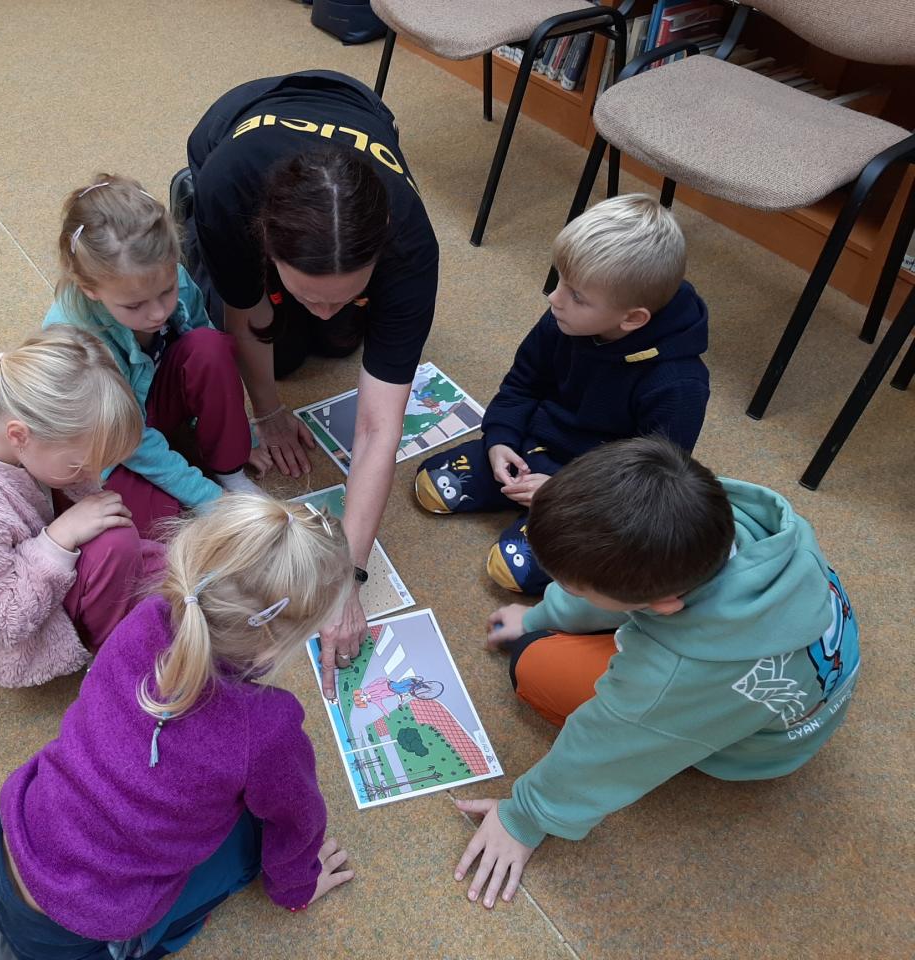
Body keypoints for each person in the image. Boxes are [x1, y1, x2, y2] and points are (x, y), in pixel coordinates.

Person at [454, 437, 860, 909]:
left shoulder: (673, 680)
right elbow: (625, 594)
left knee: (533, 665)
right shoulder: (718, 516)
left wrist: (523, 817)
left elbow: (606, 744)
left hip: (755, 749)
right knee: (563, 625)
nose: (561, 589)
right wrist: (544, 613)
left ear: (663, 605)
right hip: (777, 661)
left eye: (572, 588)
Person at [0, 493, 359, 960]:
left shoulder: (145, 616)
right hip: (83, 930)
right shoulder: (268, 725)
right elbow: (297, 822)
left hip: (8, 840)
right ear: (274, 647)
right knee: (250, 846)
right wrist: (296, 888)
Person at [182, 70, 440, 689]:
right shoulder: (232, 192)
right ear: (267, 248)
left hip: (354, 103)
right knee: (279, 349)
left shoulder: (412, 247)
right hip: (229, 136)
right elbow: (246, 318)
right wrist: (269, 412)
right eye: (309, 292)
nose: (325, 307)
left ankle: (323, 297)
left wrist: (347, 576)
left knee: (337, 339)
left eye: (345, 293)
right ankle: (191, 216)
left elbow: (378, 430)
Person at [413, 194, 709, 595]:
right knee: (433, 484)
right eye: (560, 281)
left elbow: (650, 483)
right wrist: (500, 440)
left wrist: (562, 494)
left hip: (598, 487)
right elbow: (522, 383)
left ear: (632, 318)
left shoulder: (679, 385)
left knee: (516, 568)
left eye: (577, 295)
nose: (554, 298)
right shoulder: (565, 319)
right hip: (534, 445)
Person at [0, 327, 163, 687]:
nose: (93, 475)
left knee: (143, 520)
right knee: (118, 542)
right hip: (16, 636)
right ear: (19, 436)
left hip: (29, 551)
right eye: (79, 466)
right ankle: (108, 654)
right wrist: (60, 537)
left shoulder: (18, 406)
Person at [44, 174, 265, 539]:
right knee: (156, 522)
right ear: (90, 289)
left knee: (211, 346)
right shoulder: (73, 336)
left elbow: (207, 346)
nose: (158, 313)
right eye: (134, 305)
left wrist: (237, 445)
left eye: (167, 291)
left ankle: (228, 468)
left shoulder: (168, 273)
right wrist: (209, 498)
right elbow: (127, 438)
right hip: (109, 439)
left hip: (148, 408)